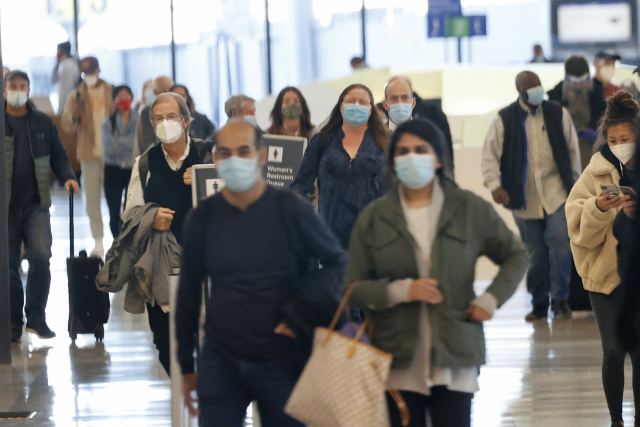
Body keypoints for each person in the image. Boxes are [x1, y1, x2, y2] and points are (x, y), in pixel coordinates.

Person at [346, 119, 529, 427]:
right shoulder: (374, 218)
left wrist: (491, 300)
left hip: (456, 352)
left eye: (421, 150)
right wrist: (401, 290)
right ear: (391, 162)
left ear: (439, 157)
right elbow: (352, 287)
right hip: (397, 356)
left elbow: (516, 255)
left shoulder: (469, 208)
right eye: (402, 152)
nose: (411, 157)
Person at [176, 120, 347, 427]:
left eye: (244, 151)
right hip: (221, 358)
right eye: (225, 153)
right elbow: (188, 291)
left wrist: (302, 311)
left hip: (282, 359)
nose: (234, 160)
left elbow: (338, 263)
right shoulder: (202, 218)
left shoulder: (291, 209)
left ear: (262, 155)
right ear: (215, 159)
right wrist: (186, 366)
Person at [123, 92, 212, 375]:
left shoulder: (210, 154)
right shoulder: (145, 164)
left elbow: (236, 197)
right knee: (167, 342)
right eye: (159, 118)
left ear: (186, 121)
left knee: (211, 338)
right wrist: (150, 218)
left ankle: (208, 398)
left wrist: (206, 176)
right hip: (162, 265)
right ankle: (187, 386)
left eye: (171, 117)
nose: (165, 123)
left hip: (208, 263)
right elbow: (130, 216)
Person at [566, 91, 640, 427]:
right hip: (606, 277)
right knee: (613, 350)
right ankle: (615, 421)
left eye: (625, 138)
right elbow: (575, 219)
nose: (619, 144)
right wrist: (598, 208)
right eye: (613, 139)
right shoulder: (595, 173)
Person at [482, 71, 581, 321]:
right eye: (531, 88)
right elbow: (489, 157)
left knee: (560, 243)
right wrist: (494, 185)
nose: (537, 91)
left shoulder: (558, 113)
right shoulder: (504, 119)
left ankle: (560, 299)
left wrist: (577, 186)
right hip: (522, 198)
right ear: (520, 92)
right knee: (534, 255)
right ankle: (539, 304)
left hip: (556, 192)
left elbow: (572, 150)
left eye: (539, 86)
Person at [5, 70, 80, 342]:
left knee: (40, 258)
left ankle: (36, 317)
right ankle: (13, 322)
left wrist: (69, 176)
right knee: (9, 265)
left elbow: (58, 152)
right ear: (4, 91)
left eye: (22, 86)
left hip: (36, 203)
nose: (17, 90)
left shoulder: (41, 122)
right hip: (6, 208)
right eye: (12, 86)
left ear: (28, 90)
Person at [290, 83, 389, 250]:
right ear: (341, 106)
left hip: (376, 236)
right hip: (330, 237)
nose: (356, 105)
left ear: (371, 109)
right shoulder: (322, 141)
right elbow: (300, 185)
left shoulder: (386, 142)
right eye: (351, 101)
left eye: (363, 102)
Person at [61, 56, 114, 258]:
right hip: (88, 154)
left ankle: (118, 240)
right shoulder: (76, 95)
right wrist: (75, 113)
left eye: (91, 73)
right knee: (92, 201)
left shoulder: (110, 91)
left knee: (115, 199)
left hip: (112, 156)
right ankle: (98, 241)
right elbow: (66, 125)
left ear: (99, 71)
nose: (89, 78)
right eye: (85, 75)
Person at [548, 55, 607, 171]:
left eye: (583, 81)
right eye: (574, 81)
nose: (579, 85)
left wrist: (598, 131)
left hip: (592, 149)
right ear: (566, 78)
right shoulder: (555, 96)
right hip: (565, 151)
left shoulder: (598, 93)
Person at [383, 76, 454, 168]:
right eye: (394, 98)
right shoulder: (375, 134)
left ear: (413, 103)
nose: (399, 103)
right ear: (385, 105)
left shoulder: (429, 133)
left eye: (405, 97)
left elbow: (444, 165)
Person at [101, 84, 138, 238]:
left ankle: (131, 243)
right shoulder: (108, 122)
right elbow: (109, 147)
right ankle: (117, 242)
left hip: (133, 169)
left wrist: (120, 142)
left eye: (126, 96)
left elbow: (140, 143)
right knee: (114, 212)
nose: (124, 100)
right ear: (114, 100)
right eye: (120, 97)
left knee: (133, 209)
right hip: (113, 170)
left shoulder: (141, 120)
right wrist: (130, 144)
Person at [134, 75, 174, 158]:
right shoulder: (146, 112)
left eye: (169, 89)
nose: (166, 93)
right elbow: (146, 143)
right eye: (162, 90)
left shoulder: (180, 109)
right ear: (155, 92)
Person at [51, 41, 79, 115]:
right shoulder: (63, 65)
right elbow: (53, 80)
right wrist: (57, 64)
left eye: (58, 51)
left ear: (62, 52)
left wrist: (61, 111)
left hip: (68, 108)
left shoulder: (68, 66)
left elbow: (66, 91)